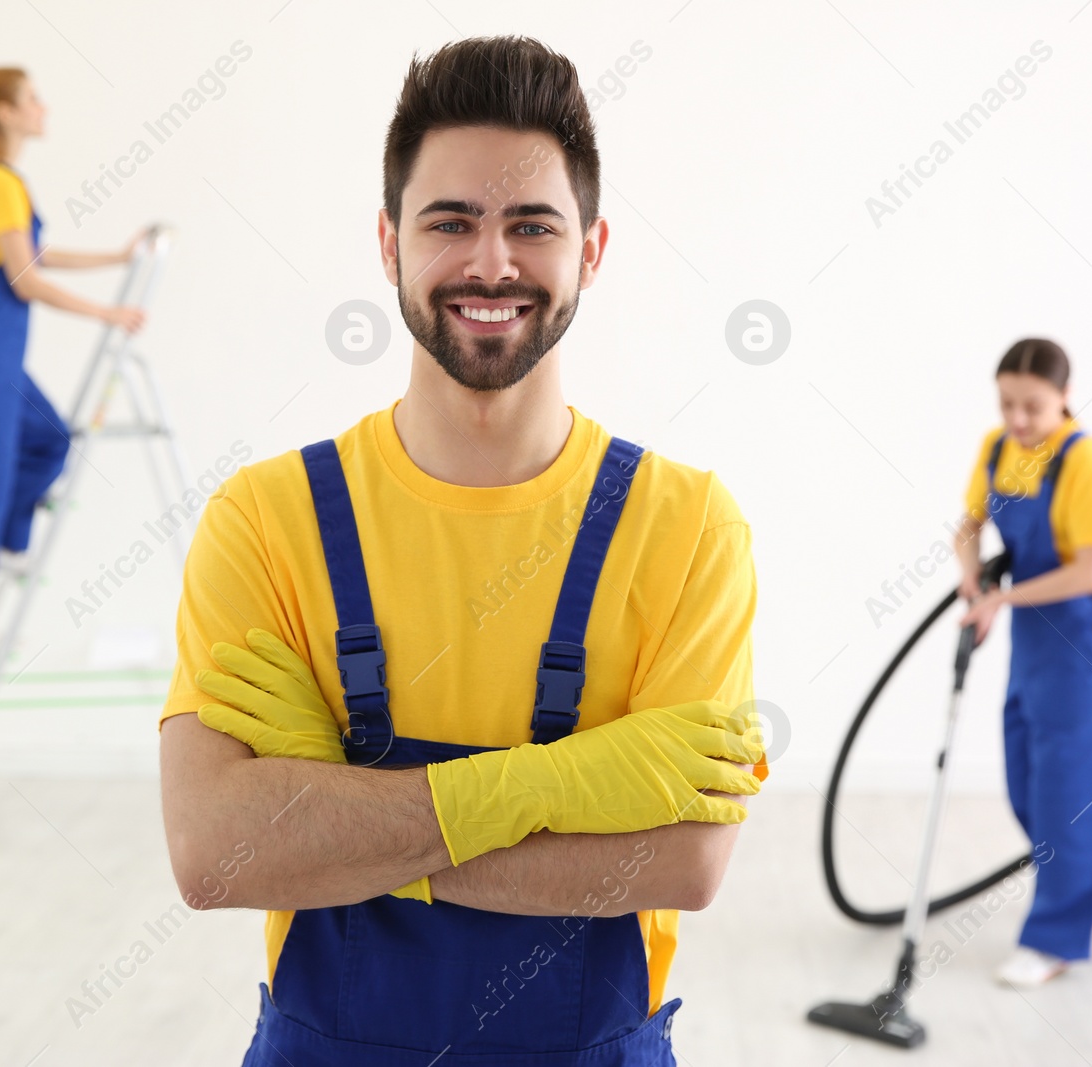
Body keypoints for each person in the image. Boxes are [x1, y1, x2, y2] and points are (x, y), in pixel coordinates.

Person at [158, 35, 768, 1066]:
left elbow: (685, 862)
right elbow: (215, 852)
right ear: (390, 244)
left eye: (532, 225)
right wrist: (560, 787)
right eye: (452, 222)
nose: (492, 263)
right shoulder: (265, 518)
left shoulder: (686, 526)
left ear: (593, 249)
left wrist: (339, 809)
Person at [955, 338, 1092, 986]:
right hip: (1031, 648)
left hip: (1082, 650)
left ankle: (1054, 942)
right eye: (1007, 404)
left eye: (1032, 405)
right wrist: (973, 581)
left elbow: (1089, 569)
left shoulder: (1086, 461)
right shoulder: (998, 449)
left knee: (1066, 804)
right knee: (1029, 795)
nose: (1018, 419)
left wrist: (1002, 596)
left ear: (1064, 396)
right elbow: (968, 526)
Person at [0, 67, 148, 651]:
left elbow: (34, 256)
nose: (43, 108)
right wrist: (107, 314)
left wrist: (115, 257)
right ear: (5, 111)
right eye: (32, 99)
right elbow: (25, 282)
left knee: (48, 436)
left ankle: (3, 544)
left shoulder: (3, 182)